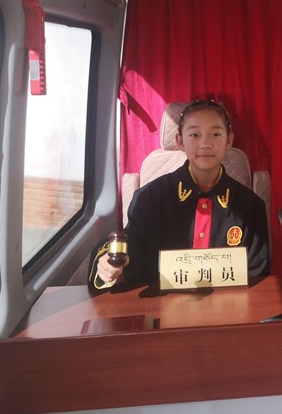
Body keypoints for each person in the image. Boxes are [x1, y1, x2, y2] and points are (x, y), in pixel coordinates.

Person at [90, 99, 269, 288]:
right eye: (194, 135)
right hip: (161, 303)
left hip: (229, 304)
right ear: (180, 141)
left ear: (229, 141)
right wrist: (111, 265)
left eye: (216, 134)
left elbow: (256, 275)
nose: (205, 143)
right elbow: (133, 249)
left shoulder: (251, 206)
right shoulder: (149, 199)